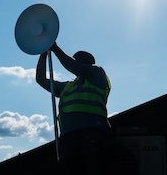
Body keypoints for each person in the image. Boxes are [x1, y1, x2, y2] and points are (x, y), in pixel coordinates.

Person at [36, 42, 112, 175]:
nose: (76, 63)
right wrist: (43, 54)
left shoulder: (98, 73)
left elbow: (73, 66)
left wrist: (55, 48)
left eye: (77, 61)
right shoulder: (67, 86)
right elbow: (41, 79)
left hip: (93, 132)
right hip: (68, 136)